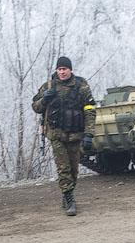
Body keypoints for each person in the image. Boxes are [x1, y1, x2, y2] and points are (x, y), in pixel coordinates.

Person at [32, 56, 95, 216]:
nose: (62, 72)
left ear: (70, 70)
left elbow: (89, 110)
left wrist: (89, 134)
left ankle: (67, 194)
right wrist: (45, 99)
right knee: (63, 168)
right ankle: (69, 198)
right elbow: (36, 107)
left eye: (64, 69)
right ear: (57, 70)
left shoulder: (81, 86)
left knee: (73, 169)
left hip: (75, 134)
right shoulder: (48, 86)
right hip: (56, 134)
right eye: (59, 69)